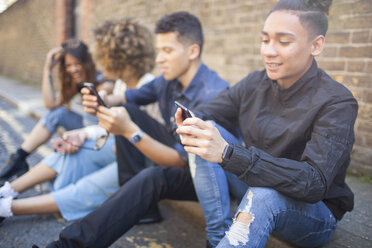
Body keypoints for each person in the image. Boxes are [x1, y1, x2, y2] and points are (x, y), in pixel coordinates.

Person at [44, 11, 246, 248]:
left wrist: (130, 132)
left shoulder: (214, 93)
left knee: (151, 177)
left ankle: (67, 245)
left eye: (167, 51)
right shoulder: (168, 79)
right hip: (179, 147)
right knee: (127, 109)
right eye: (159, 50)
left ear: (192, 51)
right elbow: (129, 96)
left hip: (211, 175)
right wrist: (102, 100)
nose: (159, 58)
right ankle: (139, 199)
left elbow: (181, 161)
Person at [176, 0, 358, 247]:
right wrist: (187, 123)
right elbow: (205, 113)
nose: (269, 51)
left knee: (263, 197)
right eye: (265, 40)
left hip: (312, 213)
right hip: (256, 185)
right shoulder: (255, 83)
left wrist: (231, 154)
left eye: (283, 42)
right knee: (204, 130)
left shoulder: (337, 102)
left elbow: (313, 184)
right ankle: (217, 238)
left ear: (316, 45)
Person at [0, 18, 161, 223]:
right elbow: (59, 108)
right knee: (69, 153)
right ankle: (7, 191)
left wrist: (97, 133)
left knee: (86, 188)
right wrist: (81, 135)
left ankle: (6, 208)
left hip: (140, 161)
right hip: (117, 149)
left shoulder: (144, 86)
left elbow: (155, 138)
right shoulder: (121, 84)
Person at [0, 39, 96, 183]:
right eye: (69, 65)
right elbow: (50, 104)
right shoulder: (76, 84)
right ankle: (19, 159)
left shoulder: (100, 82)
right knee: (57, 112)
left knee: (59, 114)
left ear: (86, 62)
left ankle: (18, 161)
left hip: (98, 135)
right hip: (86, 131)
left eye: (77, 63)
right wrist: (47, 69)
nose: (73, 69)